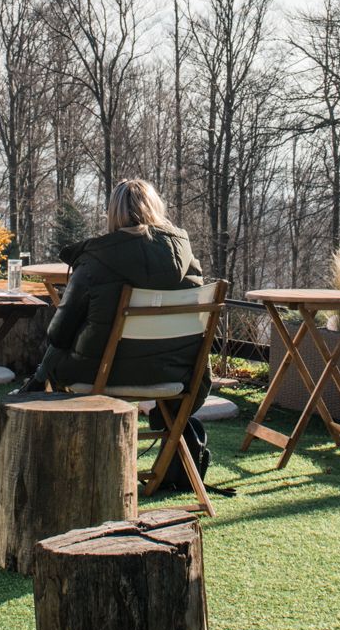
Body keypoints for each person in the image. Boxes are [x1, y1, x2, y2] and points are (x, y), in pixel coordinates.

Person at [35, 179, 212, 492]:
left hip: (101, 374)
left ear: (112, 214)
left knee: (52, 356)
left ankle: (61, 465)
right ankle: (162, 427)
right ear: (156, 209)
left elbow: (59, 333)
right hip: (172, 374)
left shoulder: (95, 261)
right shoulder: (189, 261)